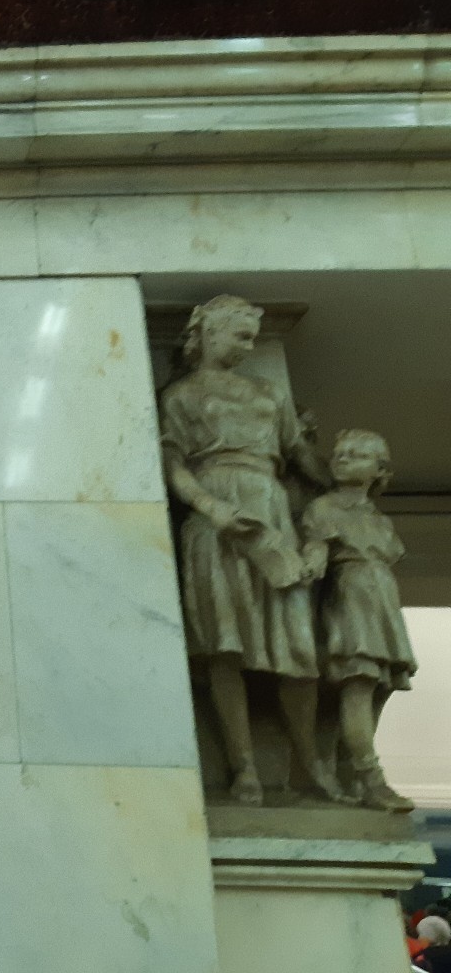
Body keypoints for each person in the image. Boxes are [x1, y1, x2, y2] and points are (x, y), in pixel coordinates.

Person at [160, 295, 338, 806]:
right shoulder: (180, 395)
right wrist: (210, 507)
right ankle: (244, 770)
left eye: (252, 336)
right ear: (208, 333)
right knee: (225, 646)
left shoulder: (269, 393)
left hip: (271, 509)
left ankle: (310, 764)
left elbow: (300, 456)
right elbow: (171, 463)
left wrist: (345, 487)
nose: (247, 344)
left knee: (300, 647)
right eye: (239, 334)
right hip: (216, 519)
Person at [300, 430, 416, 813]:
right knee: (359, 685)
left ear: (379, 469)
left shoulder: (379, 520)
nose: (342, 458)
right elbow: (316, 549)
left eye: (355, 455)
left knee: (379, 688)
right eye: (339, 453)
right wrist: (311, 561)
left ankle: (349, 767)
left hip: (381, 598)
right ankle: (370, 778)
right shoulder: (324, 509)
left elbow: (390, 555)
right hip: (350, 598)